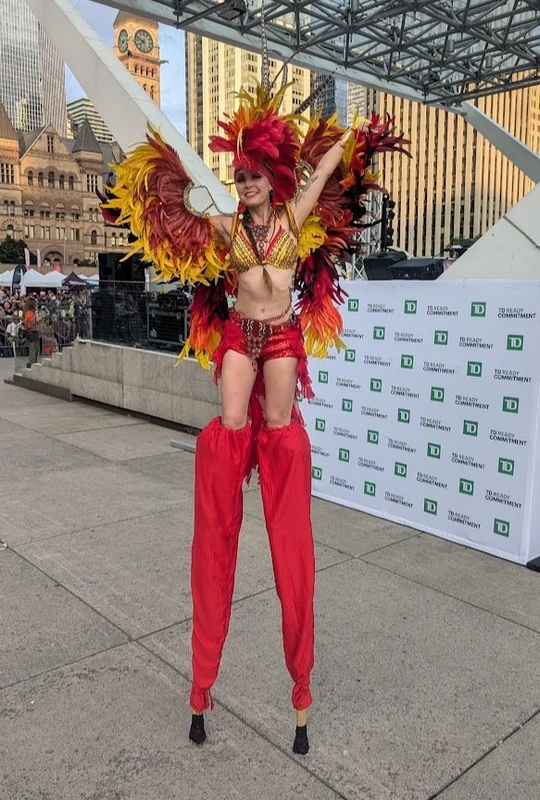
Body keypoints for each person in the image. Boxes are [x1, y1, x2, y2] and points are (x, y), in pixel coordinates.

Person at [103, 79, 408, 756]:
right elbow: (178, 207)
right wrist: (172, 184)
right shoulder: (226, 227)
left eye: (251, 176)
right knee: (229, 428)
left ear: (271, 180)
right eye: (236, 176)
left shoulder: (295, 219)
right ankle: (226, 499)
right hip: (241, 335)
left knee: (279, 432)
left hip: (285, 339)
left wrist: (348, 138)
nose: (243, 184)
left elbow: (326, 169)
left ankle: (273, 490)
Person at [23, 296, 39, 364]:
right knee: (33, 349)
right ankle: (32, 362)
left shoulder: (28, 312)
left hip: (32, 332)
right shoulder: (29, 313)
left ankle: (32, 362)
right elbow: (31, 321)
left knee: (33, 349)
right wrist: (39, 318)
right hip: (32, 332)